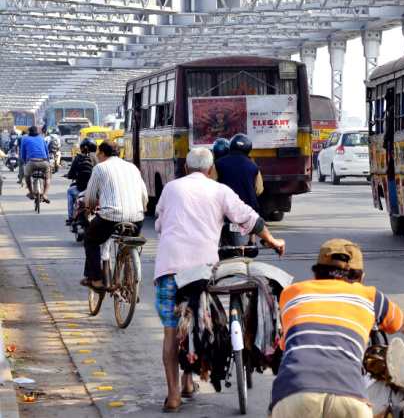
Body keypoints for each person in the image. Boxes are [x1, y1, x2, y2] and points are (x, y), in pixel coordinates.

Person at [153, 147, 285, 413]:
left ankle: (175, 395)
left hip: (170, 268)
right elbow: (250, 218)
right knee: (198, 321)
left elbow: (160, 224)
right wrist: (272, 241)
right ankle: (189, 380)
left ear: (186, 169)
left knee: (171, 330)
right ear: (211, 170)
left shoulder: (171, 189)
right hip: (202, 271)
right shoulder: (220, 190)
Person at [270, 239, 404, 418]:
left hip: (294, 393)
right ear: (361, 278)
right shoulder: (370, 296)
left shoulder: (290, 293)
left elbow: (285, 345)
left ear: (316, 275)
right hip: (348, 394)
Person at [80, 140, 147, 292]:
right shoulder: (132, 168)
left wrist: (89, 208)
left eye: (99, 154)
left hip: (110, 217)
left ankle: (96, 280)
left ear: (103, 154)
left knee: (90, 241)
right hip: (136, 217)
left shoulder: (100, 168)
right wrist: (140, 210)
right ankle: (128, 273)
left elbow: (90, 195)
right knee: (130, 243)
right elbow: (144, 195)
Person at [214, 134, 264, 245]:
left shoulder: (218, 163)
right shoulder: (253, 166)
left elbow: (212, 184)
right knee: (254, 214)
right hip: (247, 206)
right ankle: (252, 241)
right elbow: (259, 190)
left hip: (225, 207)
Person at [65, 139, 98, 222]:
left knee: (69, 192)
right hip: (95, 191)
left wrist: (68, 175)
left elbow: (71, 174)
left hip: (80, 189)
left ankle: (71, 216)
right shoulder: (97, 158)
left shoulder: (77, 158)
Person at [21, 126, 52, 203]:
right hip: (43, 162)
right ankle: (45, 194)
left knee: (27, 176)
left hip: (31, 162)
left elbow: (23, 154)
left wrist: (25, 163)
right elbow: (47, 152)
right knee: (48, 177)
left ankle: (31, 193)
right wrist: (48, 162)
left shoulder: (25, 139)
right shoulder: (41, 138)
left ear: (29, 132)